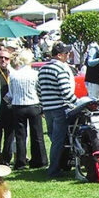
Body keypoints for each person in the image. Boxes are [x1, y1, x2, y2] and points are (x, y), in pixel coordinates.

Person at [38, 41, 76, 177]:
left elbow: (39, 89)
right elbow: (66, 91)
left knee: (54, 139)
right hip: (60, 108)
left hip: (48, 109)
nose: (68, 55)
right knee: (59, 140)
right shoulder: (60, 69)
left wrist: (44, 104)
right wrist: (77, 103)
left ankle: (59, 164)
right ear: (59, 55)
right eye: (66, 53)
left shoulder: (42, 69)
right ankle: (54, 169)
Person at [7, 48, 46, 170]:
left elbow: (11, 92)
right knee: (37, 134)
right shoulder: (35, 74)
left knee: (20, 135)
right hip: (33, 104)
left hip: (18, 106)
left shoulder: (14, 75)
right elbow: (39, 90)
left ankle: (20, 161)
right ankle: (40, 160)